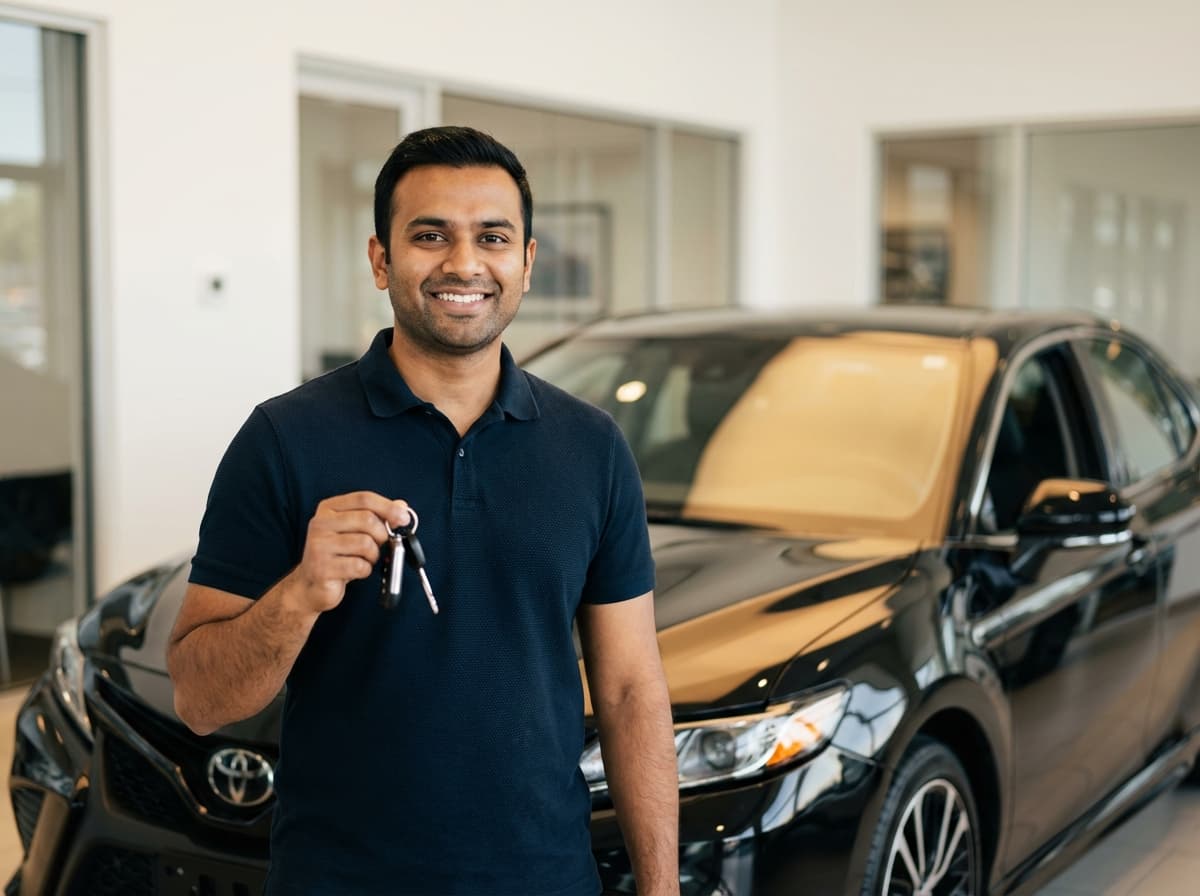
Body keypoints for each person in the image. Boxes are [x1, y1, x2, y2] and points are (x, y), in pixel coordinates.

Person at [166, 126, 679, 896]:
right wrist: (301, 592)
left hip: (543, 878)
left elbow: (632, 690)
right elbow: (202, 701)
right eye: (430, 235)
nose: (464, 264)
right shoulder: (283, 438)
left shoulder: (592, 448)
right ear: (381, 259)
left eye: (493, 237)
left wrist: (661, 886)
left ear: (527, 263)